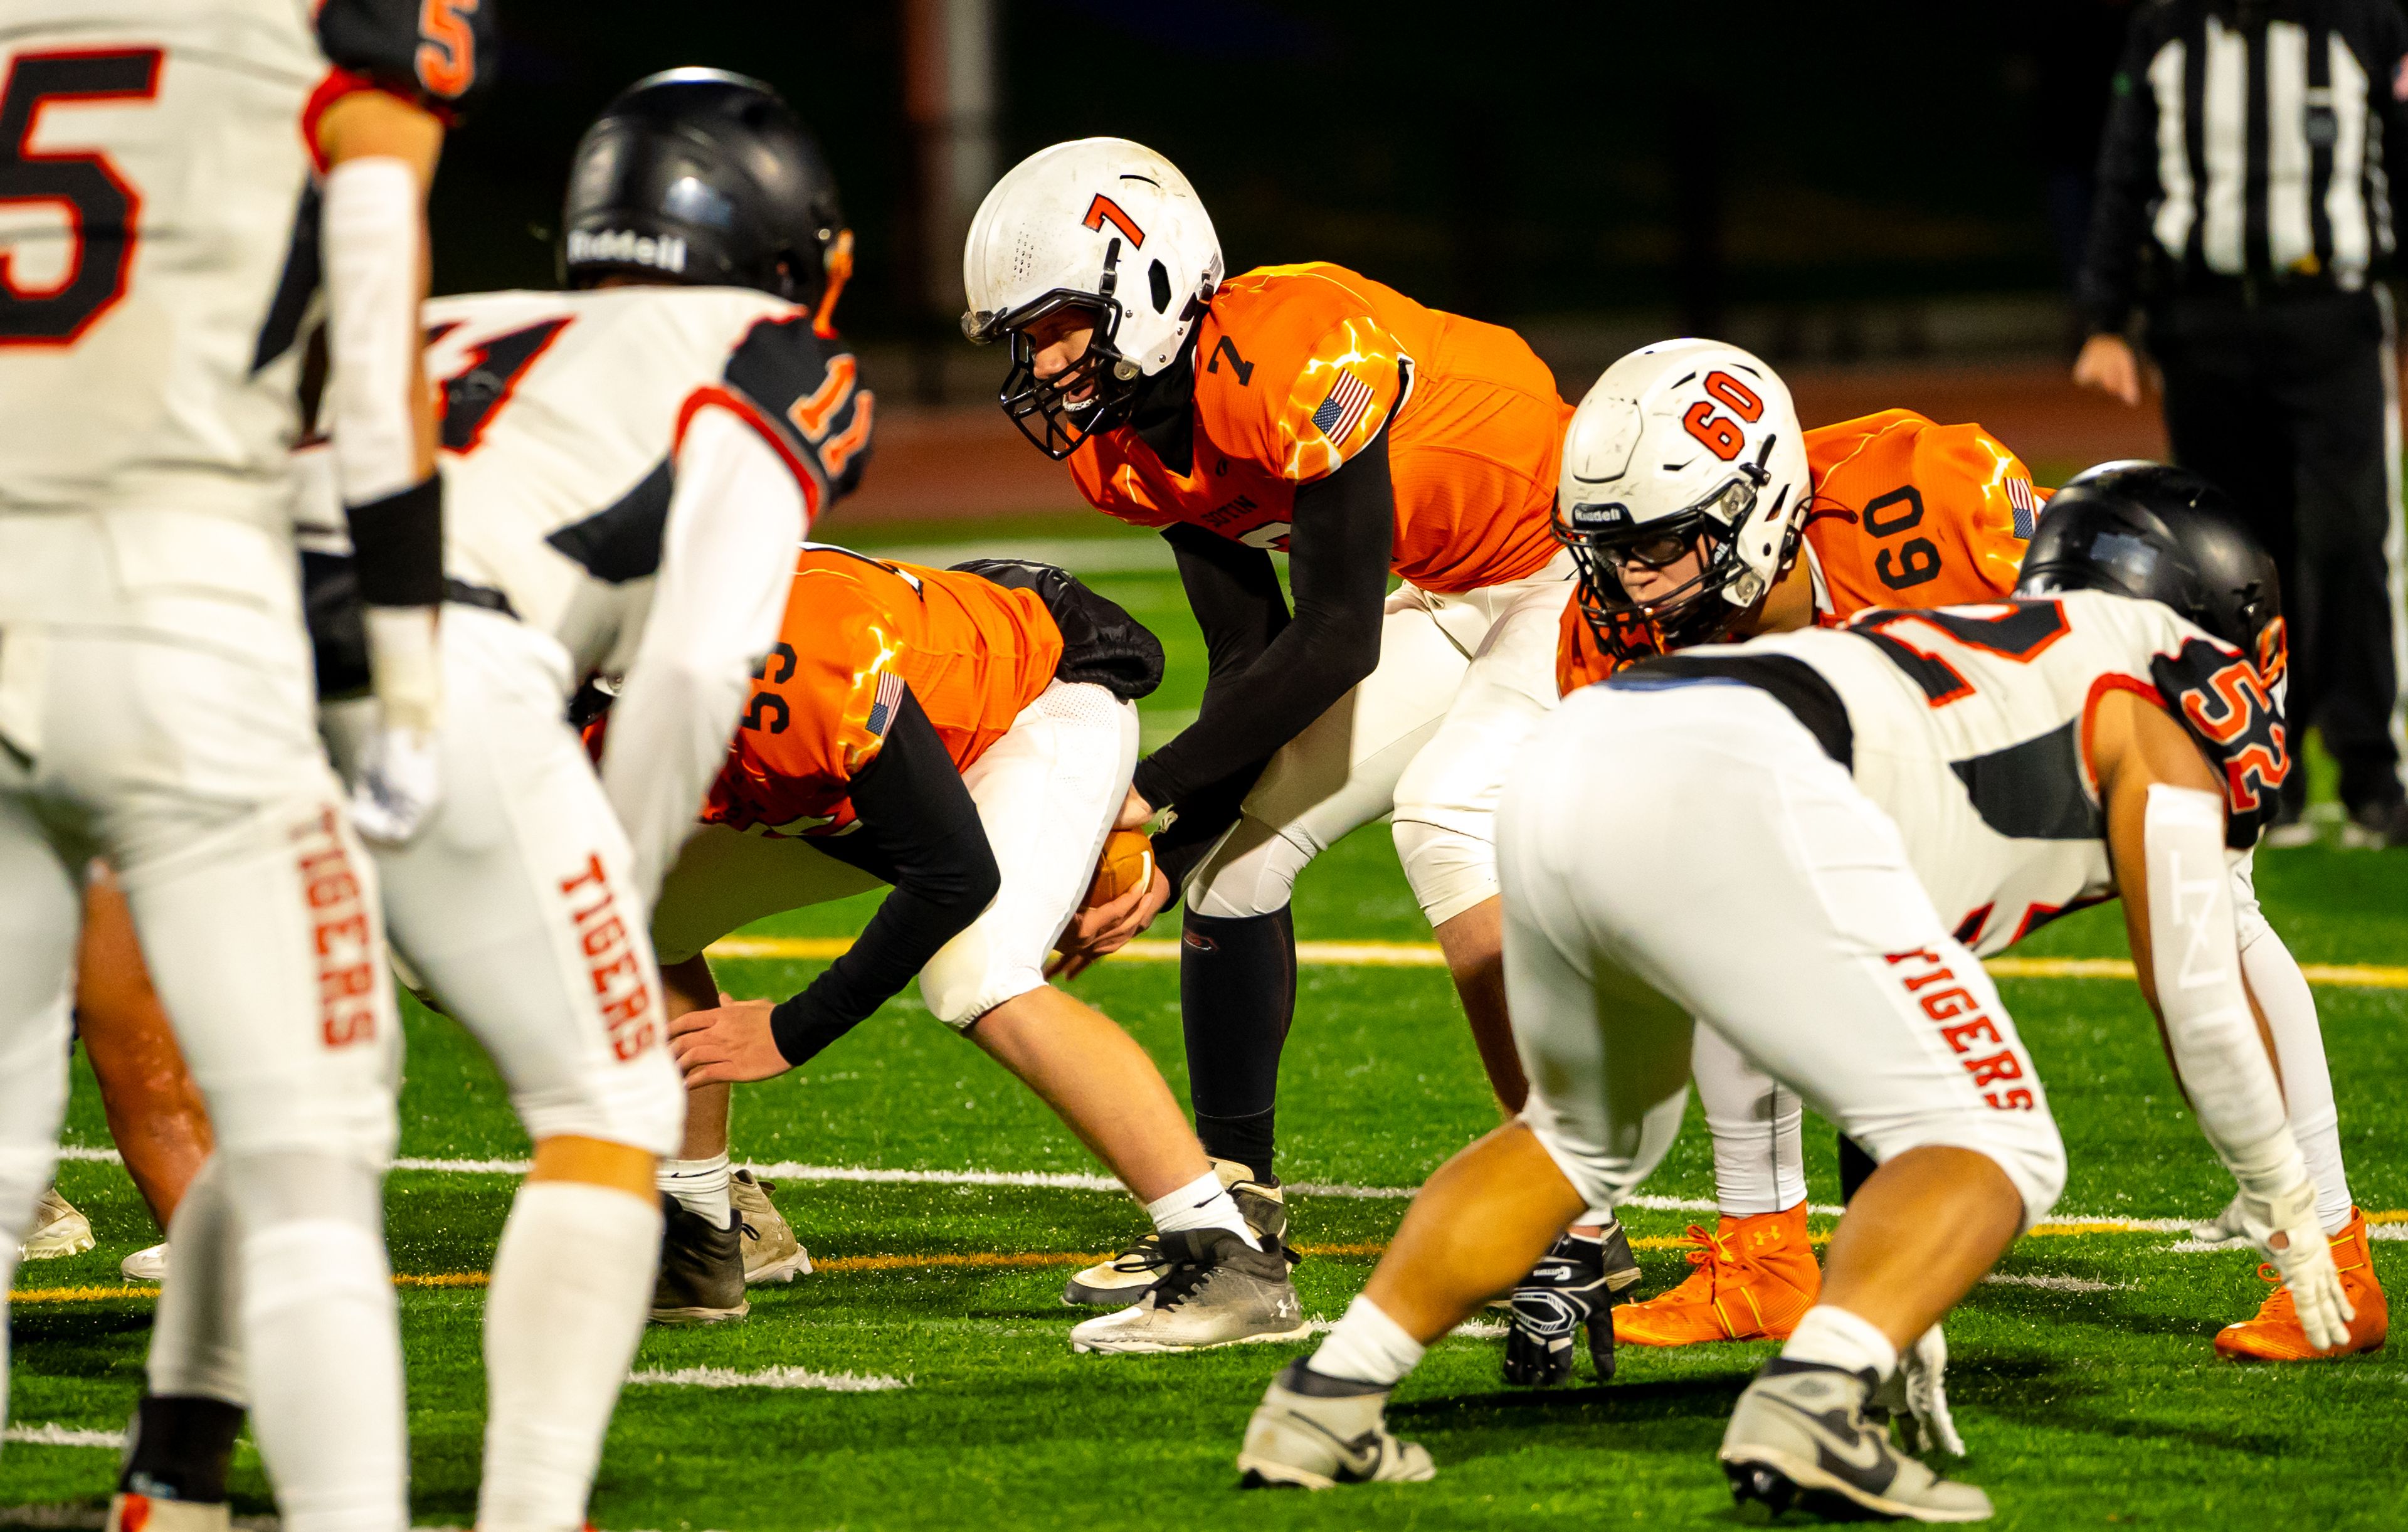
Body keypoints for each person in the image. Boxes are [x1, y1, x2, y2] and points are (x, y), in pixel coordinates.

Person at [1234, 467, 2354, 1519]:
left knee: (1580, 1133)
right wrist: (2291, 1210)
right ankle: (1811, 1404)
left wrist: (1900, 1275)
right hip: (1754, 778)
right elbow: (2196, 992)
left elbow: (1873, 990)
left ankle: (1325, 1399)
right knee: (2003, 1141)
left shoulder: (1983, 645)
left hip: (1584, 747)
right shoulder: (2153, 693)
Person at [103, 68, 864, 1532]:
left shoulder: (473, 319)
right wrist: (625, 895)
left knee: (295, 1108)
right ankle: (530, 1508)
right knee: (613, 1091)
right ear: (784, 244)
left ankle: (175, 1470)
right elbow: (700, 661)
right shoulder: (768, 349)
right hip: (430, 663)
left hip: (207, 658)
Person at [2, 2, 487, 1528]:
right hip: (184, 609)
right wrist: (403, 670)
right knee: (310, 1141)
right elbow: (373, 367)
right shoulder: (333, 33)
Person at [960, 138, 1576, 1287]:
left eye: (1053, 323)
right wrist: (1169, 848)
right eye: (1021, 337)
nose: (1039, 361)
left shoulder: (1297, 348)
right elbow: (1250, 652)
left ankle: (1573, 1217)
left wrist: (1142, 796)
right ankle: (1233, 1212)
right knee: (1232, 868)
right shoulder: (1128, 441)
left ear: (1143, 283)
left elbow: (1336, 635)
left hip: (1576, 568)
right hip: (1447, 584)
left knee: (1445, 820)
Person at [1505, 341, 2042, 1376]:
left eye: (1661, 544)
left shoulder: (1930, 502)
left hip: (2031, 770)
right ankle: (1764, 1257)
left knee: (2206, 930)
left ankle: (2319, 1251)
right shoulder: (1612, 630)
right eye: (1611, 549)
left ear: (1757, 509)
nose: (1632, 580)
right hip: (1850, 788)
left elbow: (2091, 645)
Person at [648, 547, 1308, 1353]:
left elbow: (952, 872)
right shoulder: (576, 674)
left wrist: (794, 1028)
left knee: (977, 974)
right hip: (851, 756)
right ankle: (702, 1229)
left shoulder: (791, 654)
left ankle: (1230, 1259)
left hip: (1028, 705)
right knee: (632, 919)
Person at [2073, 0, 2408, 848]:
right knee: (2234, 555)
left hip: (2329, 311)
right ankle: (2264, 762)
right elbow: (2125, 170)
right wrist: (2106, 317)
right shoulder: (2165, 29)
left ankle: (2372, 767)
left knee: (2351, 535)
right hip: (2204, 322)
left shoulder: (2364, 23)